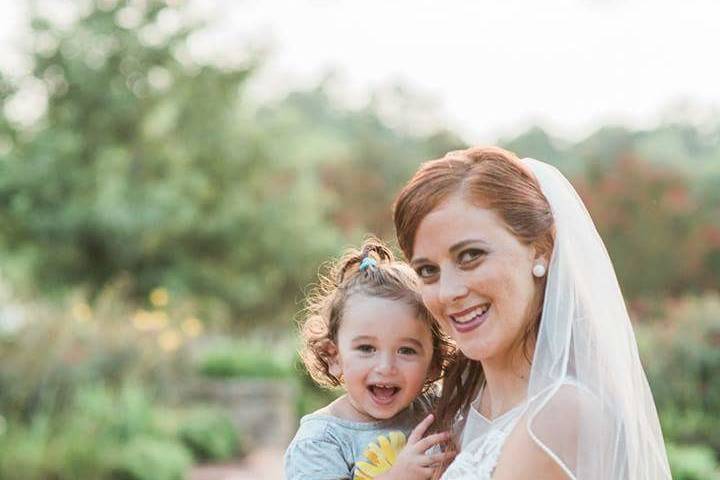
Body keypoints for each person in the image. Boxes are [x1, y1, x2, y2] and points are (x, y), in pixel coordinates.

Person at [392, 147, 671, 479]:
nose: (449, 291)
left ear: (541, 250)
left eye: (470, 256)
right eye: (427, 271)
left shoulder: (559, 417)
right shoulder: (457, 410)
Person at [284, 238, 457, 479]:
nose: (386, 367)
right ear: (333, 357)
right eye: (366, 348)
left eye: (406, 350)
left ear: (433, 364)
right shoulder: (321, 440)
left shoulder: (438, 411)